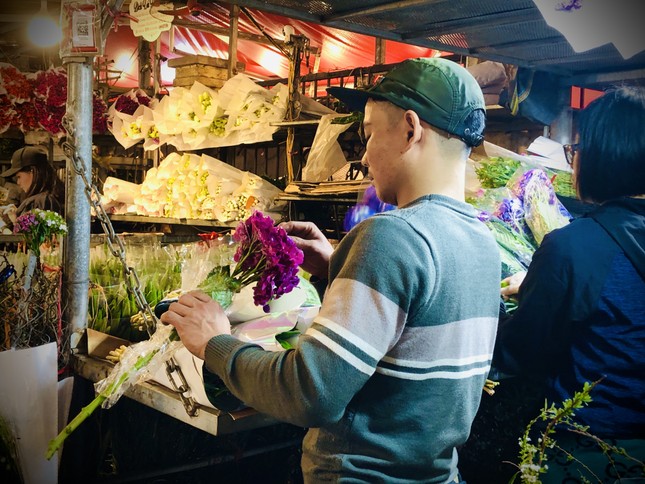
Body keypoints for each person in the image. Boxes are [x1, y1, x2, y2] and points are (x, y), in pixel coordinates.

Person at [161, 58, 501, 483]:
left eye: (369, 132)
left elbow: (308, 393)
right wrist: (339, 267)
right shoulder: (484, 243)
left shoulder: (391, 237)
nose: (364, 153)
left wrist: (215, 342)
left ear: (410, 130)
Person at [493, 86, 645, 482]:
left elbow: (518, 353)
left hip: (588, 456)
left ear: (599, 158)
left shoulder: (572, 248)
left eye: (577, 148)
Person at [0, 146, 65, 216]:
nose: (18, 182)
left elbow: (36, 226)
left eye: (19, 177)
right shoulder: (51, 196)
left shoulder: (39, 202)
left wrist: (18, 221)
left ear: (32, 171)